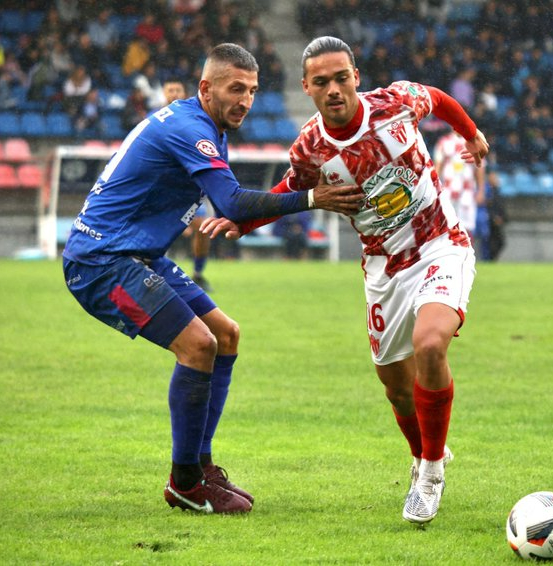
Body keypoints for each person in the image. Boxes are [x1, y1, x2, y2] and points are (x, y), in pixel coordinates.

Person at [61, 43, 363, 515]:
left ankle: (200, 467)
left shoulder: (205, 125)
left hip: (138, 255)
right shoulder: (190, 128)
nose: (245, 100)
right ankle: (184, 482)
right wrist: (312, 198)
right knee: (198, 345)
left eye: (253, 91)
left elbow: (224, 205)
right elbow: (233, 202)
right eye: (235, 89)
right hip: (101, 263)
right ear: (206, 88)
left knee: (226, 334)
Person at [202, 36, 489, 524]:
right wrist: (242, 221)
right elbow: (289, 191)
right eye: (322, 82)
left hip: (440, 244)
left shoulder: (396, 104)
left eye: (341, 78)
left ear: (356, 77)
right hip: (382, 268)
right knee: (395, 386)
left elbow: (438, 98)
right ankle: (422, 453)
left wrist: (470, 133)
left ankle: (431, 471)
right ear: (306, 88)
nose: (334, 89)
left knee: (431, 344)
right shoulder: (310, 148)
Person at [163, 78, 215, 289]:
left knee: (203, 228)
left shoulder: (194, 121)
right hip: (161, 192)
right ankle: (153, 274)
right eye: (170, 90)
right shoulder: (155, 120)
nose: (174, 93)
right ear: (163, 94)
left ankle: (198, 274)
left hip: (187, 193)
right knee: (158, 231)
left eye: (178, 89)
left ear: (185, 93)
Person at [434, 129, 486, 238]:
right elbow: (438, 167)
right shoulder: (444, 142)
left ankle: (467, 253)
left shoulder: (473, 142)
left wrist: (481, 190)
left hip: (467, 190)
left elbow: (480, 167)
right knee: (447, 224)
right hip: (447, 189)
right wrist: (435, 189)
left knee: (467, 226)